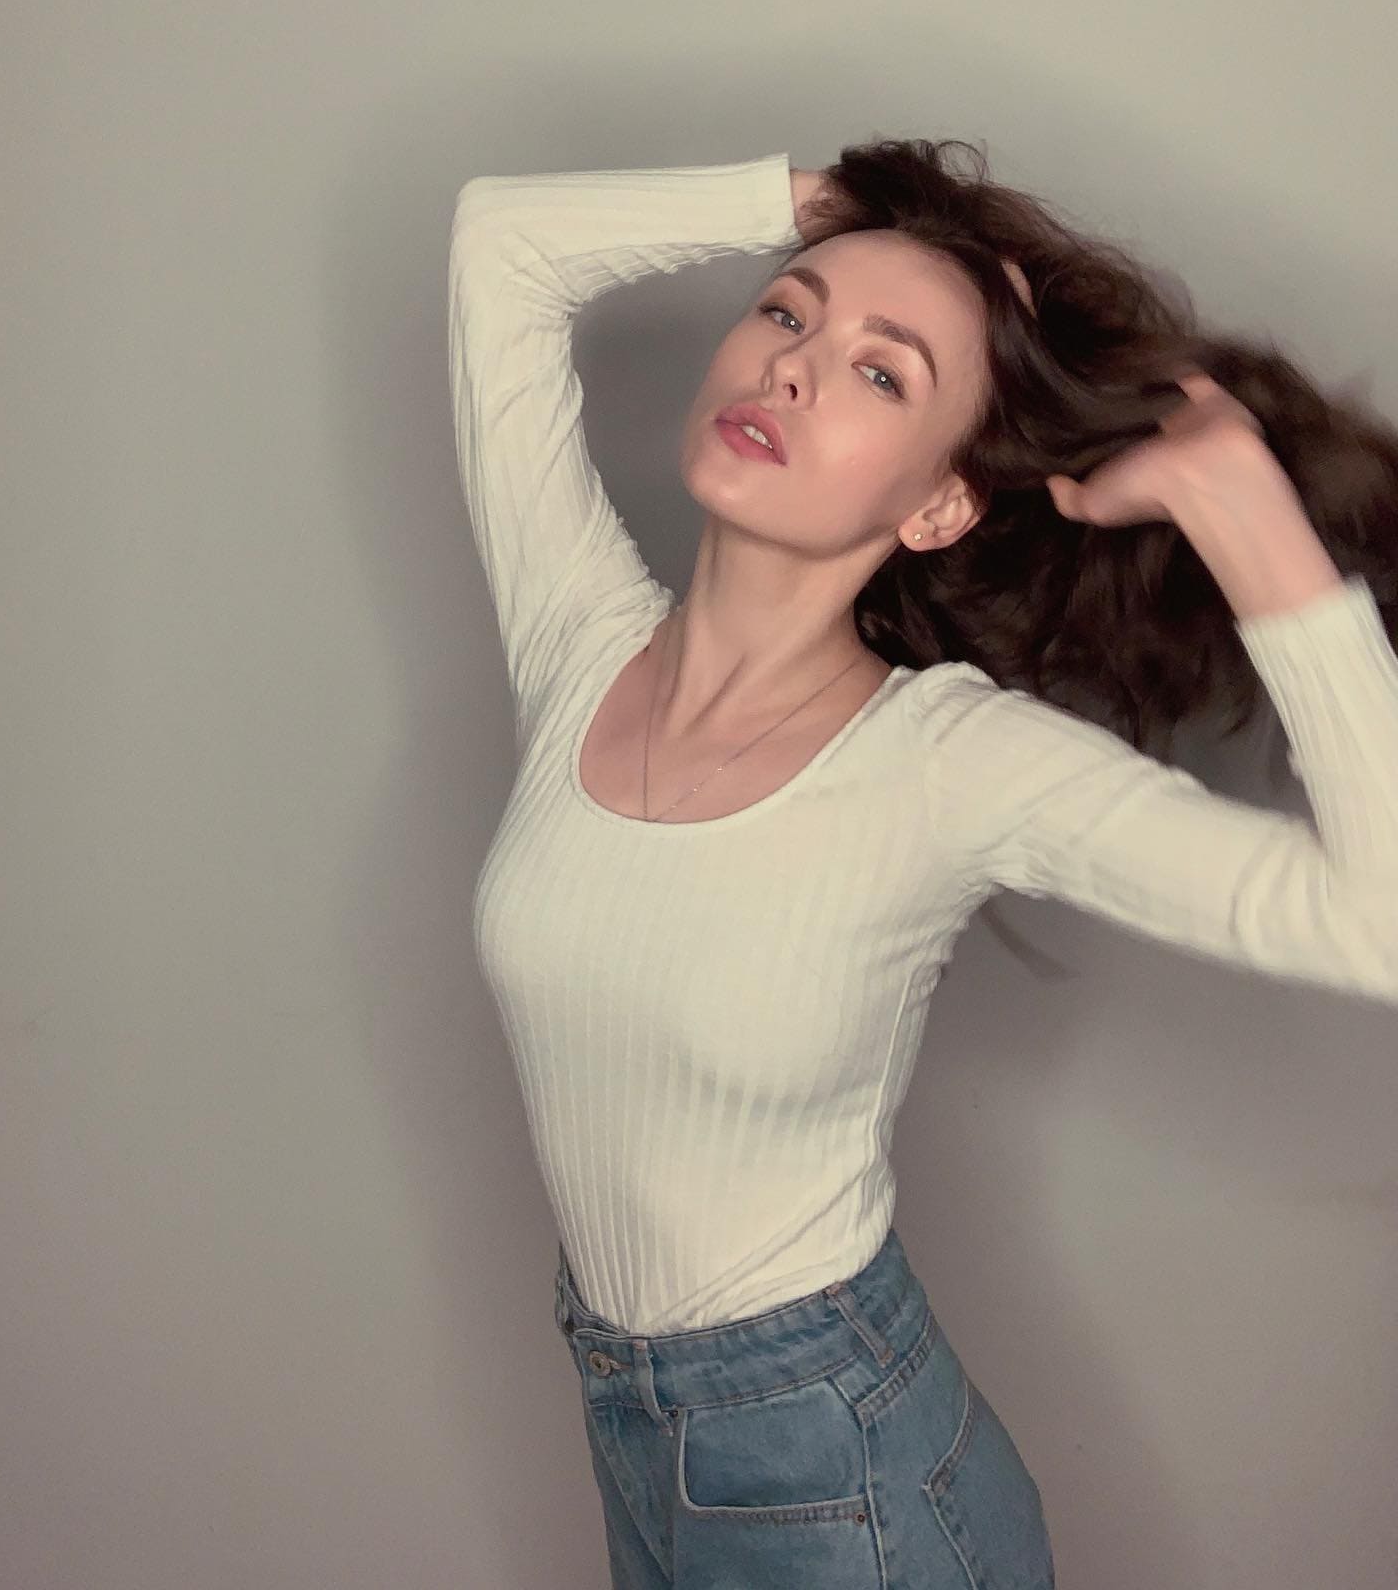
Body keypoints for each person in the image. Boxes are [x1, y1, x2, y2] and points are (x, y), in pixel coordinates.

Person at [445, 141, 1398, 1589]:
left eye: (882, 374)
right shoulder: (577, 640)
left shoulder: (951, 764)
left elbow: (1378, 923)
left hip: (836, 1470)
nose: (793, 368)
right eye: (787, 312)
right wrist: (829, 199)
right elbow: (499, 249)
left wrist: (1247, 513)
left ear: (940, 506)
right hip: (628, 1417)